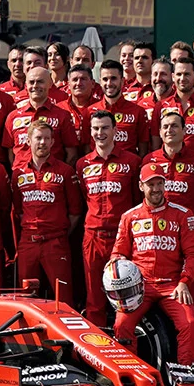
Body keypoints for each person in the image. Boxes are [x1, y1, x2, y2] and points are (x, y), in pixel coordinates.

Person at [109, 167, 194, 364]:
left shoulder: (183, 214)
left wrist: (184, 282)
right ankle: (132, 371)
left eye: (160, 183)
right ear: (141, 186)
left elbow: (193, 254)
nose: (156, 189)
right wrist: (117, 263)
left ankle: (185, 373)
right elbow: (118, 253)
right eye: (151, 184)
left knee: (190, 324)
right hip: (140, 286)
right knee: (121, 325)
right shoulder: (129, 216)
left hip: (172, 285)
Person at [76, 111, 142, 327]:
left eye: (105, 128)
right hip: (93, 237)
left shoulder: (132, 161)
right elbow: (83, 198)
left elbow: (137, 200)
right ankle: (96, 342)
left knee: (127, 297)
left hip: (122, 237)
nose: (100, 133)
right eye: (95, 128)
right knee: (94, 299)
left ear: (115, 130)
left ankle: (127, 339)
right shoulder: (82, 164)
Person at [10, 120, 83, 303]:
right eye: (38, 138)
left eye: (46, 139)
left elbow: (75, 212)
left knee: (63, 298)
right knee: (25, 297)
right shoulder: (18, 173)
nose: (42, 142)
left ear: (52, 142)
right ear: (28, 140)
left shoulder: (65, 171)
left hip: (55, 242)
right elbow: (18, 210)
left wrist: (58, 232)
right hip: (28, 242)